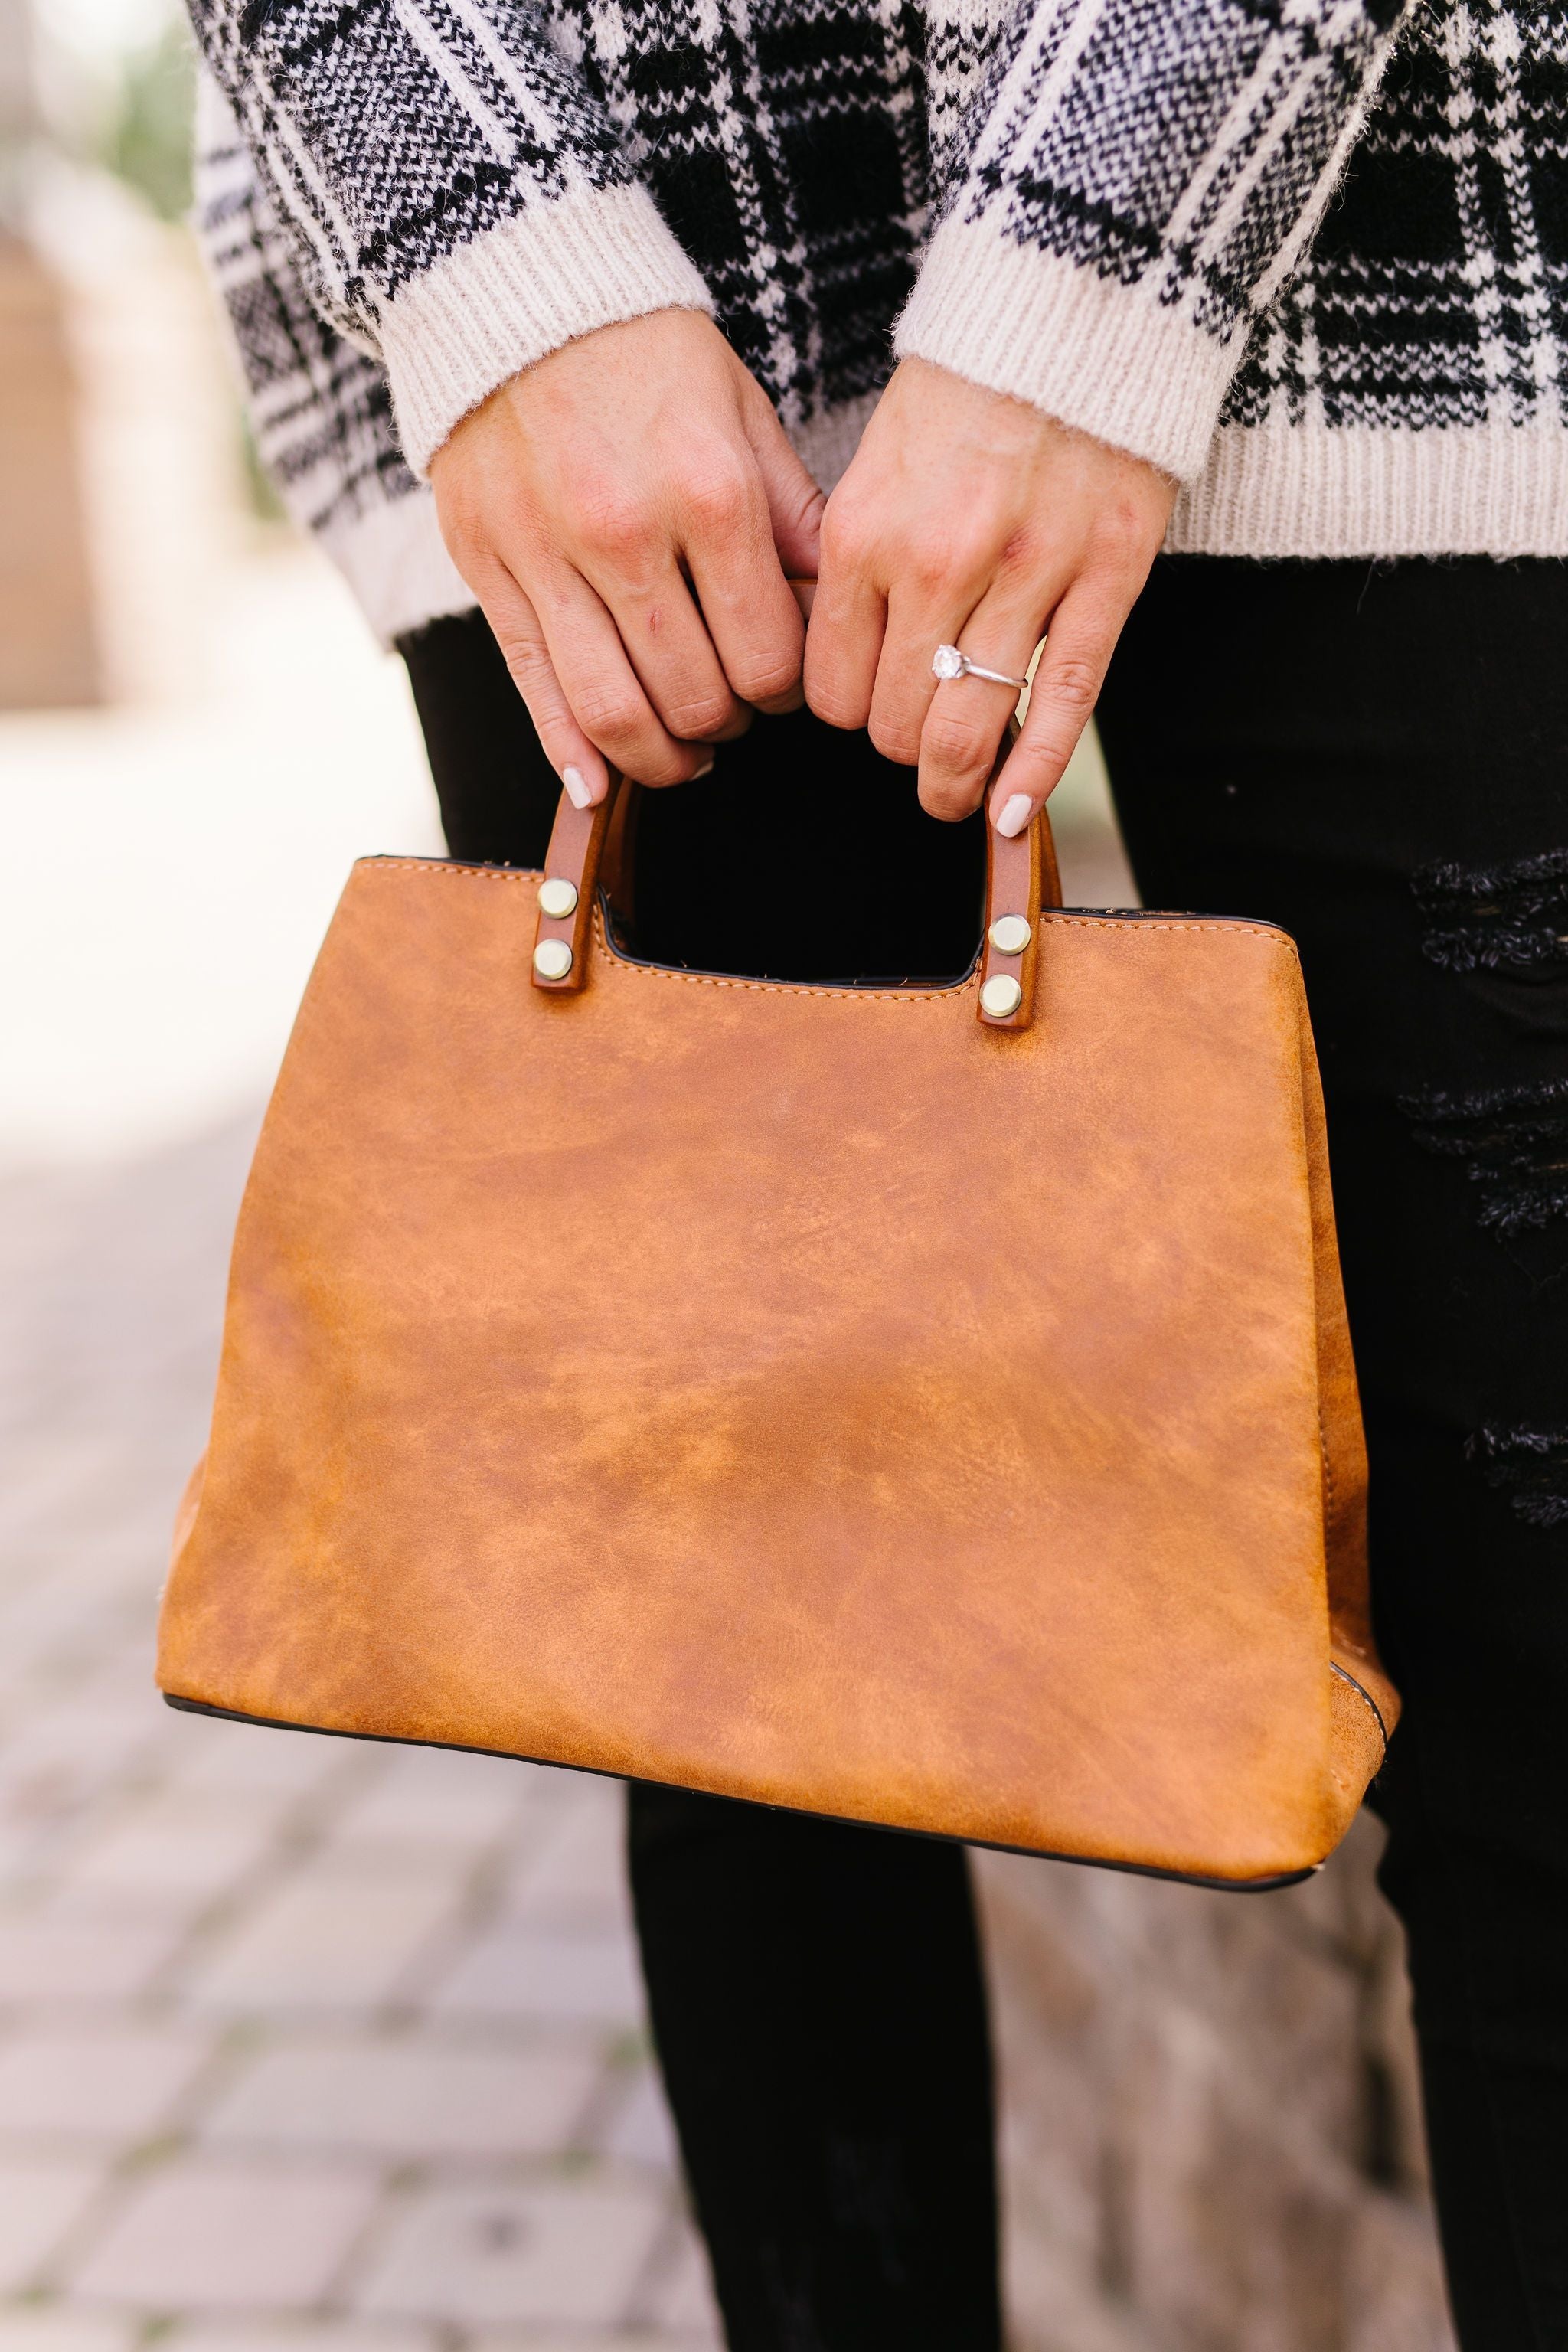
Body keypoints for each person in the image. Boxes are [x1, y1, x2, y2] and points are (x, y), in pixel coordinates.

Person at [187, 0, 1567, 2342]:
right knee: (725, 1648)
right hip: (599, 262)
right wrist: (490, 241)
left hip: (1396, 195)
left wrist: (1094, 264)